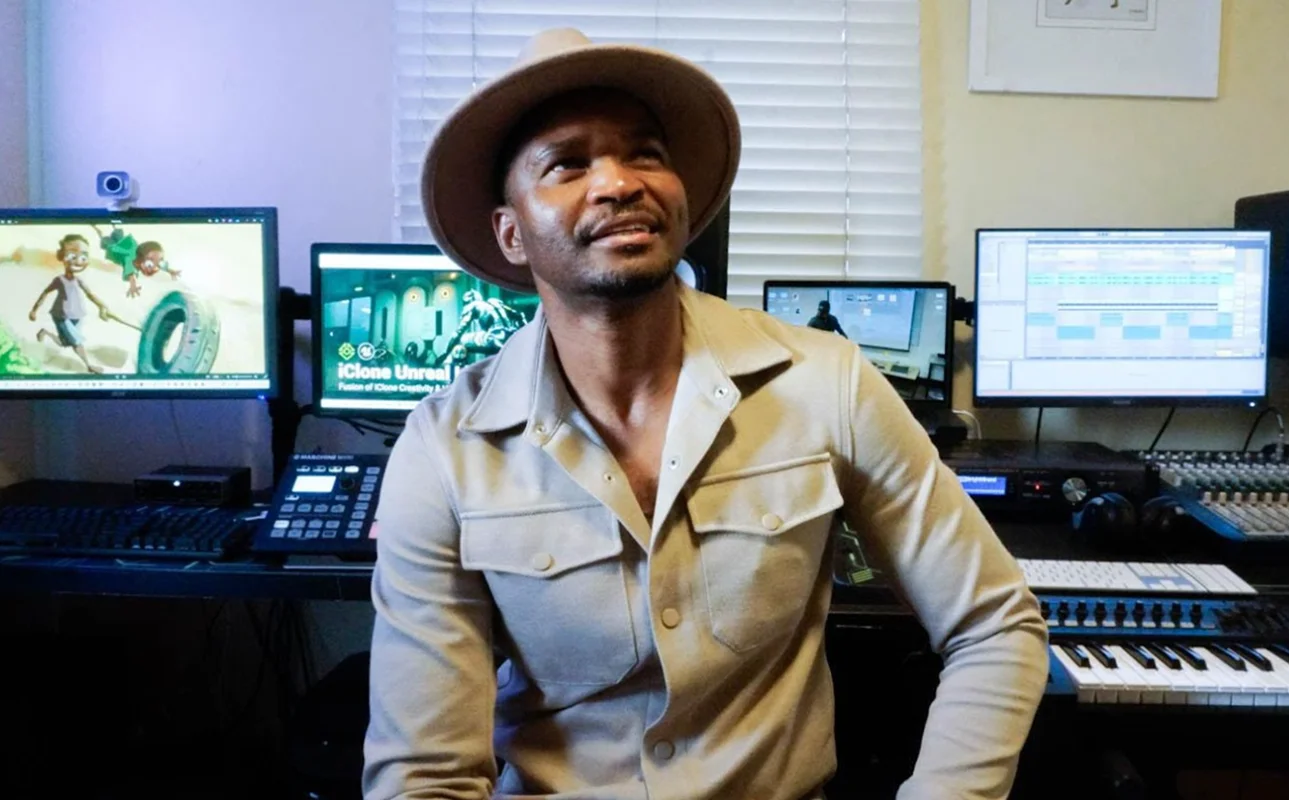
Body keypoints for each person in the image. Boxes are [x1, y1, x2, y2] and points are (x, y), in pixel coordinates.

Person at [365, 28, 1047, 800]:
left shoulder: (827, 382)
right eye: (568, 164)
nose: (619, 183)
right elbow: (424, 774)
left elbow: (995, 623)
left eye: (646, 154)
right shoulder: (444, 446)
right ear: (511, 233)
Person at [28, 233, 113, 374]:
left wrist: (101, 306)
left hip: (77, 314)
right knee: (76, 341)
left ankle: (45, 333)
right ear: (61, 256)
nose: (79, 261)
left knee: (65, 342)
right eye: (73, 256)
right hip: (62, 315)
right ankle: (89, 366)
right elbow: (45, 293)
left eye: (83, 257)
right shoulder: (59, 280)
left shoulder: (78, 280)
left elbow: (90, 294)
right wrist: (34, 310)